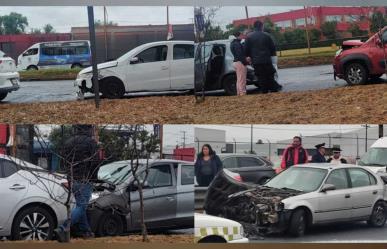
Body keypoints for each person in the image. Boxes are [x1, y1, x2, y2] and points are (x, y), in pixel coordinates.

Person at [54, 125, 100, 242]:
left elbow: (63, 161)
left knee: (80, 205)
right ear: (89, 130)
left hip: (72, 179)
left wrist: (69, 175)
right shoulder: (91, 142)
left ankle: (86, 232)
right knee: (81, 206)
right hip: (84, 179)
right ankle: (63, 228)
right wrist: (93, 178)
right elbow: (95, 162)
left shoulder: (68, 142)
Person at [244, 20, 280, 93]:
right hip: (267, 60)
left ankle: (264, 93)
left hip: (256, 61)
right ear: (262, 26)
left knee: (261, 78)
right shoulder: (267, 35)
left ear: (254, 27)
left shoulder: (249, 37)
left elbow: (246, 50)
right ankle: (274, 91)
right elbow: (273, 49)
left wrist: (248, 57)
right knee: (270, 76)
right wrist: (274, 61)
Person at [230, 31, 248, 96]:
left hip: (236, 62)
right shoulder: (237, 44)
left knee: (239, 79)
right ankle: (242, 93)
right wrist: (245, 62)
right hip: (240, 63)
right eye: (241, 35)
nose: (242, 36)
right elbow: (240, 55)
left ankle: (239, 93)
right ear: (238, 36)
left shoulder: (233, 43)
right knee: (242, 79)